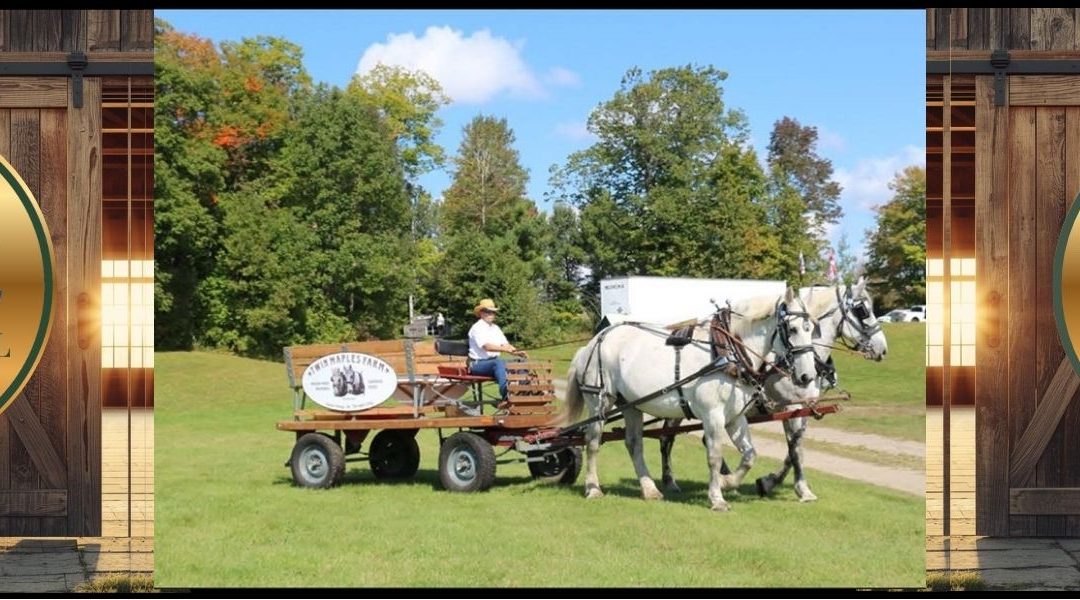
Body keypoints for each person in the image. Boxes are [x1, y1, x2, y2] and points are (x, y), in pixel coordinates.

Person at [467, 298, 527, 408]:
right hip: (477, 364)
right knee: (498, 363)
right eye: (487, 311)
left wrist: (517, 352)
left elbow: (505, 345)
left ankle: (523, 391)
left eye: (493, 311)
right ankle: (506, 396)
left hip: (492, 363)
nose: (491, 314)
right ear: (481, 313)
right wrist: (505, 350)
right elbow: (487, 346)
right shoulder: (477, 328)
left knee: (520, 362)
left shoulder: (495, 328)